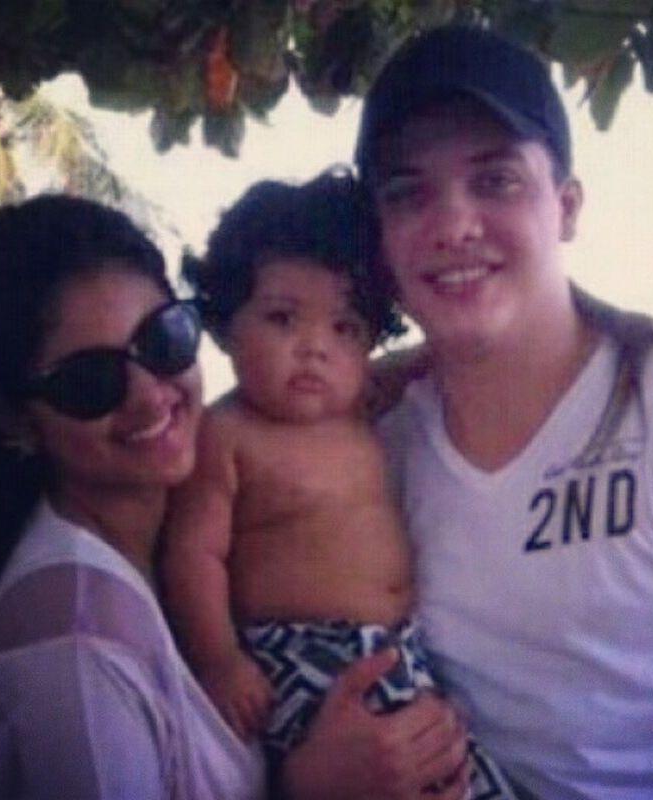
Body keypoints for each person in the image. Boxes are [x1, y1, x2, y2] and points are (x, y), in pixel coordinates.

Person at [0, 194, 469, 800]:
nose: (149, 396)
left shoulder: (156, 540)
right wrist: (310, 788)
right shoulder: (73, 647)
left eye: (163, 340)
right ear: (15, 420)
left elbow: (372, 376)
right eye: (89, 380)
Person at [355, 25, 653, 800]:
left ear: (566, 207)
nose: (453, 225)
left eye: (496, 180)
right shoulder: (375, 453)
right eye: (408, 193)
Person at [166, 171, 516, 799]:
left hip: (400, 652)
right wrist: (218, 660)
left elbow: (403, 368)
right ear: (224, 324)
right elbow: (193, 553)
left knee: (458, 776)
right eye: (282, 319)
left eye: (344, 328)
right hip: (303, 660)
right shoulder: (228, 432)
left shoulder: (354, 408)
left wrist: (456, 345)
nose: (314, 349)